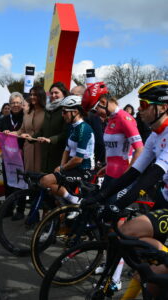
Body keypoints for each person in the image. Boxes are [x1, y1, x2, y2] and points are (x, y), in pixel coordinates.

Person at [81, 80, 168, 295]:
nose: (140, 109)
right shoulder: (156, 135)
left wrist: (118, 204)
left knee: (128, 232)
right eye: (140, 103)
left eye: (145, 104)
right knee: (147, 272)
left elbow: (151, 176)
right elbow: (133, 173)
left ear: (163, 107)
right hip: (165, 197)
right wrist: (101, 196)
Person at [82, 82, 144, 203]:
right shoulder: (110, 119)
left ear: (103, 102)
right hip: (110, 174)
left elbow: (140, 150)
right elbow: (115, 149)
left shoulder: (124, 118)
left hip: (122, 177)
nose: (95, 114)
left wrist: (127, 176)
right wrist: (107, 166)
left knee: (112, 216)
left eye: (95, 110)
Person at [40, 95, 95, 204]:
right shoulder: (72, 126)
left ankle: (75, 201)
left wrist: (62, 168)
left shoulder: (84, 129)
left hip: (84, 169)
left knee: (45, 181)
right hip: (73, 167)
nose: (62, 115)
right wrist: (61, 167)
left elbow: (78, 159)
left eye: (65, 112)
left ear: (75, 112)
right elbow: (67, 149)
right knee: (53, 192)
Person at [0, 92, 25, 204]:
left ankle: (20, 209)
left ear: (22, 103)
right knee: (8, 182)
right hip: (7, 157)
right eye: (13, 103)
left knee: (22, 182)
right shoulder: (4, 119)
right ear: (9, 105)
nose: (15, 105)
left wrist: (13, 133)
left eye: (18, 102)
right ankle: (8, 208)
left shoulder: (26, 118)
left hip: (22, 156)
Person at [32, 82, 70, 173]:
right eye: (51, 93)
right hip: (46, 154)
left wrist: (50, 140)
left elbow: (66, 133)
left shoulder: (66, 109)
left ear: (64, 93)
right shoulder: (48, 109)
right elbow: (43, 130)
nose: (53, 95)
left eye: (56, 93)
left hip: (59, 154)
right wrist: (31, 137)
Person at [14, 86, 46, 172]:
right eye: (31, 94)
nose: (32, 97)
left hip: (42, 150)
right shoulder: (27, 113)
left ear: (41, 96)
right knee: (29, 178)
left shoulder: (47, 113)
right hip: (28, 150)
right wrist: (9, 133)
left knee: (41, 179)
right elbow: (21, 131)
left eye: (35, 94)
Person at [71, 85, 105, 165]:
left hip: (86, 164)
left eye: (72, 95)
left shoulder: (92, 117)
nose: (70, 98)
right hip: (72, 161)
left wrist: (95, 161)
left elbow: (99, 143)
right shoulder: (69, 116)